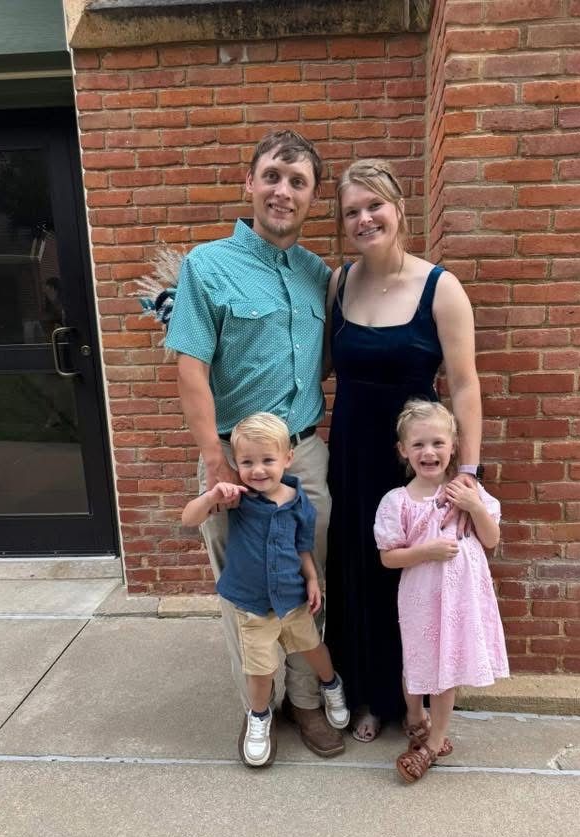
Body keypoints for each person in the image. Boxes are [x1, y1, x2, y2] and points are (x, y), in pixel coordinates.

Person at [165, 131, 344, 759]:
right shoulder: (206, 266)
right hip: (232, 465)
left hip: (303, 459)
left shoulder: (318, 275)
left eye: (298, 183)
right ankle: (258, 710)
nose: (283, 192)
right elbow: (190, 367)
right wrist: (217, 465)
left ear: (312, 198)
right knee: (243, 592)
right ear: (249, 184)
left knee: (306, 584)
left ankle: (305, 703)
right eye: (272, 176)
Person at [324, 159, 483, 742]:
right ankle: (369, 696)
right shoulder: (339, 283)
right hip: (352, 453)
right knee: (362, 568)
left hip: (417, 460)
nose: (364, 219)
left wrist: (466, 475)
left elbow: (464, 384)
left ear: (398, 209)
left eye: (374, 206)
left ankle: (413, 699)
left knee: (418, 583)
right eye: (351, 212)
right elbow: (316, 366)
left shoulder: (442, 288)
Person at [182, 413, 349, 767]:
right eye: (247, 462)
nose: (258, 470)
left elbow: (304, 545)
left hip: (293, 599)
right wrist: (212, 494)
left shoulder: (298, 500)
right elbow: (190, 518)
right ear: (235, 463)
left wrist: (313, 579)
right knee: (259, 669)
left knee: (314, 649)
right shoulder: (238, 499)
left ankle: (331, 685)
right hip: (253, 604)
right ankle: (259, 717)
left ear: (288, 458)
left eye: (267, 460)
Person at [373, 400, 508, 782]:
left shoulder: (468, 492)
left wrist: (474, 506)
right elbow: (388, 558)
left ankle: (434, 743)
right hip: (419, 596)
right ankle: (415, 718)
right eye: (417, 445)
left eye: (437, 443)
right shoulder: (396, 501)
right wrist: (426, 552)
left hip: (460, 597)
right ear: (403, 451)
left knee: (447, 669)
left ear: (453, 446)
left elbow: (491, 539)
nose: (428, 452)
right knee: (415, 661)